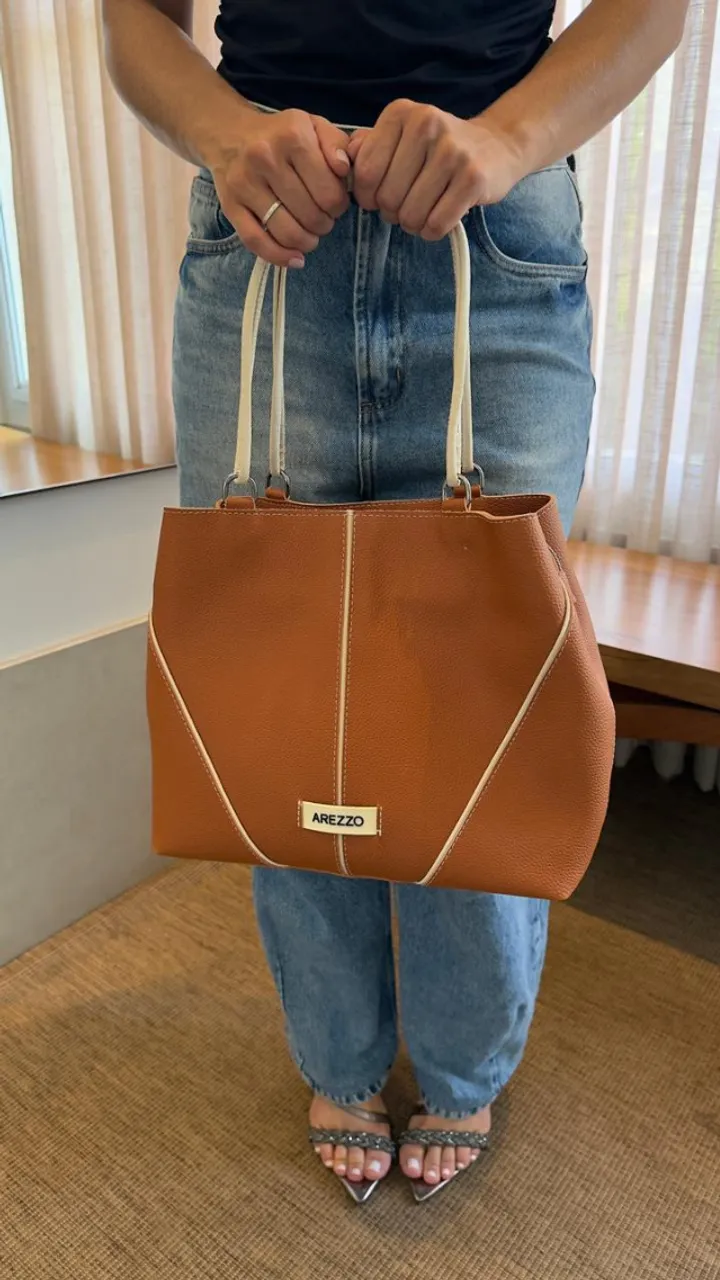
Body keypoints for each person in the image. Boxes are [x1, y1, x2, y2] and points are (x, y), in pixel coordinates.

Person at [103, 0, 688, 1203]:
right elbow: (133, 22)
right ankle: (341, 1054)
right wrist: (223, 133)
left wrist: (508, 140)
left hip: (497, 229)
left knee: (485, 703)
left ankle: (466, 1060)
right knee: (283, 693)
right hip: (264, 229)